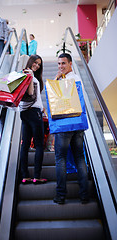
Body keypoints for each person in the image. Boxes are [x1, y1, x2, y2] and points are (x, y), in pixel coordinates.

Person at [53, 53, 89, 204]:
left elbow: (52, 96)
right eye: (59, 64)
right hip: (78, 125)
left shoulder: (65, 81)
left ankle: (61, 196)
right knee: (80, 158)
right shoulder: (77, 79)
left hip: (64, 124)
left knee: (60, 159)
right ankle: (84, 195)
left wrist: (55, 79)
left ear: (70, 64)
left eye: (63, 63)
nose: (61, 66)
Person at [19, 55, 47, 184]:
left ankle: (25, 176)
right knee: (39, 145)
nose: (37, 66)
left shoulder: (21, 75)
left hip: (24, 112)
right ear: (30, 62)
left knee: (25, 145)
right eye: (35, 63)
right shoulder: (29, 76)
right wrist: (30, 77)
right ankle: (36, 176)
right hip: (34, 113)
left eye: (39, 64)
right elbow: (30, 94)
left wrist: (42, 107)